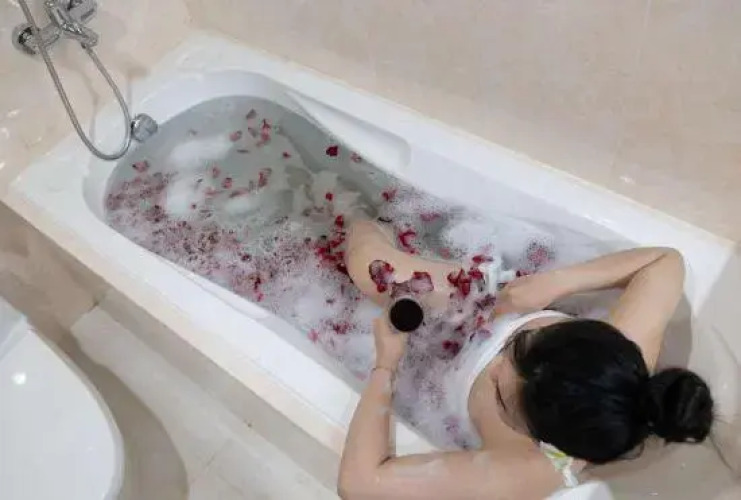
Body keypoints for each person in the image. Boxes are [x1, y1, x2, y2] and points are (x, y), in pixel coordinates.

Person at [338, 220, 714, 499]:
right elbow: (665, 262)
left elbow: (359, 483)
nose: (497, 364)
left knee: (367, 265)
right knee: (373, 266)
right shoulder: (619, 361)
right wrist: (559, 282)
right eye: (526, 341)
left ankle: (359, 220)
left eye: (501, 398)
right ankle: (366, 220)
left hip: (435, 366)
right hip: (493, 302)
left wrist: (385, 366)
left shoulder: (527, 470)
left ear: (536, 434)